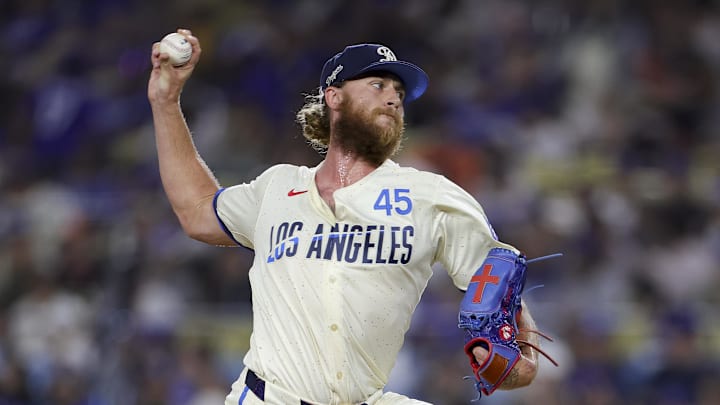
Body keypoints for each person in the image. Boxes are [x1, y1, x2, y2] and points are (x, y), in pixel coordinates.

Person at [148, 28, 542, 405]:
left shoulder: (431, 197)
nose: (393, 99)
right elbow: (197, 210)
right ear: (333, 97)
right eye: (378, 85)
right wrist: (165, 103)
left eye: (399, 93)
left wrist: (522, 364)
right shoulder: (277, 189)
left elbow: (502, 290)